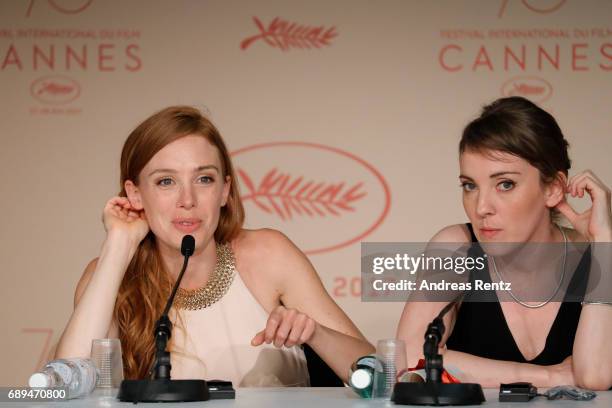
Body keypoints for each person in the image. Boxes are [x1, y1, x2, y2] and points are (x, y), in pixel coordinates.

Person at [54, 106, 373, 386]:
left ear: (224, 190)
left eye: (204, 179)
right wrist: (119, 245)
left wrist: (315, 333)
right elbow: (63, 386)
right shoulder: (108, 273)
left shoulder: (268, 254)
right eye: (166, 181)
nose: (187, 200)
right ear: (135, 194)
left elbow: (379, 374)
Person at [397, 97, 612, 390]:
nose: (481, 206)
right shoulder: (456, 246)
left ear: (553, 189)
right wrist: (550, 376)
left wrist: (603, 246)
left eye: (505, 184)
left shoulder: (601, 255)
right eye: (470, 186)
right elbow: (410, 359)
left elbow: (595, 377)